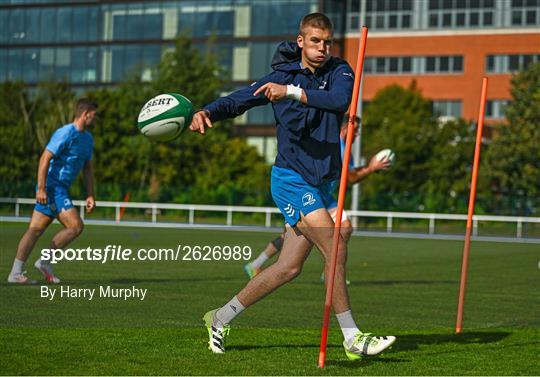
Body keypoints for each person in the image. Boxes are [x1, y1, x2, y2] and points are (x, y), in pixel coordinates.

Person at [189, 13, 395, 359]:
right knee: (335, 245)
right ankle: (352, 337)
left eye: (327, 42)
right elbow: (239, 99)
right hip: (290, 179)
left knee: (288, 268)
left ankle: (219, 318)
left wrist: (291, 93)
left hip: (321, 182)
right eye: (315, 41)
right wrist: (206, 110)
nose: (322, 48)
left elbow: (340, 102)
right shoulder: (279, 76)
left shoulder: (340, 71)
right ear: (301, 41)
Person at [244, 121, 391, 279]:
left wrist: (369, 168)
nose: (357, 134)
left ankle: (329, 271)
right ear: (344, 128)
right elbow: (350, 178)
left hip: (326, 199)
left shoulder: (345, 148)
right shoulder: (339, 147)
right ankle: (256, 265)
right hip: (312, 197)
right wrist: (371, 168)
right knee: (291, 236)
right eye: (355, 130)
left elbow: (350, 175)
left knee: (345, 227)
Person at [7, 98, 98, 284]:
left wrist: (90, 194)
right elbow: (45, 158)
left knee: (35, 229)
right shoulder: (65, 133)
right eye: (94, 115)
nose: (95, 119)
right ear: (85, 114)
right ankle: (45, 261)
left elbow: (87, 168)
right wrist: (41, 188)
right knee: (75, 226)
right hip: (52, 187)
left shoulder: (88, 139)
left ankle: (15, 273)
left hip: (60, 189)